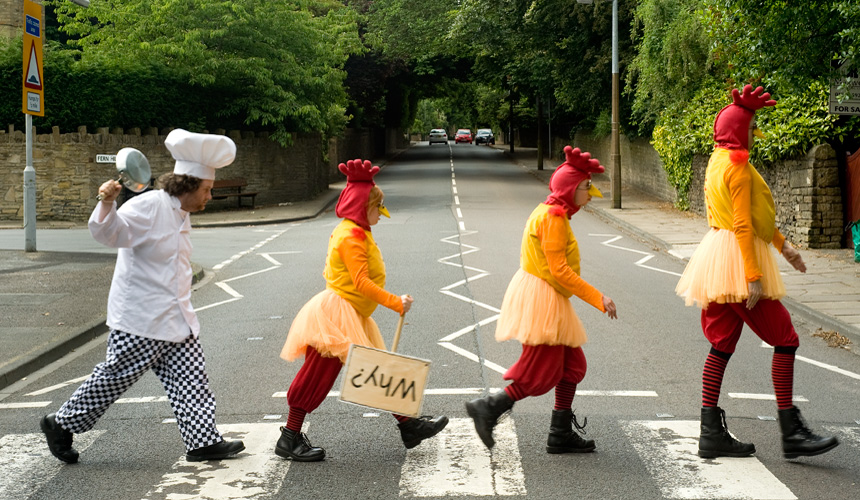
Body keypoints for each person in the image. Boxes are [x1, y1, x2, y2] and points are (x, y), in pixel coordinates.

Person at [40, 129, 245, 464]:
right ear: (189, 185)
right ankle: (60, 423)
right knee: (114, 378)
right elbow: (109, 233)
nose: (210, 195)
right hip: (140, 318)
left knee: (191, 378)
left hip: (175, 319)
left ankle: (203, 441)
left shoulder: (181, 213)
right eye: (206, 189)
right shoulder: (150, 205)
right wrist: (106, 200)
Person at [675, 85, 839, 459]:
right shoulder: (739, 167)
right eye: (751, 126)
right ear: (739, 130)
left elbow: (753, 216)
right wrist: (752, 275)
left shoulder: (717, 160)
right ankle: (790, 431)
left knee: (721, 345)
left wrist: (784, 247)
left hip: (716, 258)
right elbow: (744, 225)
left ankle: (710, 433)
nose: (754, 132)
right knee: (785, 337)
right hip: (737, 259)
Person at [276, 158, 448, 462]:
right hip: (336, 315)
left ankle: (409, 426)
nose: (381, 213)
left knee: (375, 369)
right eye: (377, 207)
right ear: (362, 205)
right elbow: (361, 282)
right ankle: (289, 438)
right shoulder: (352, 236)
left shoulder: (356, 230)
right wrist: (396, 302)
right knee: (317, 376)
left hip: (349, 312)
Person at [465, 146, 618, 452]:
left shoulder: (550, 211)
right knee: (539, 372)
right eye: (586, 188)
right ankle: (490, 408)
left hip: (546, 296)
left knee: (573, 367)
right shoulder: (553, 218)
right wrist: (598, 298)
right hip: (542, 300)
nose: (591, 195)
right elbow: (559, 271)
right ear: (571, 189)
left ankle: (559, 433)